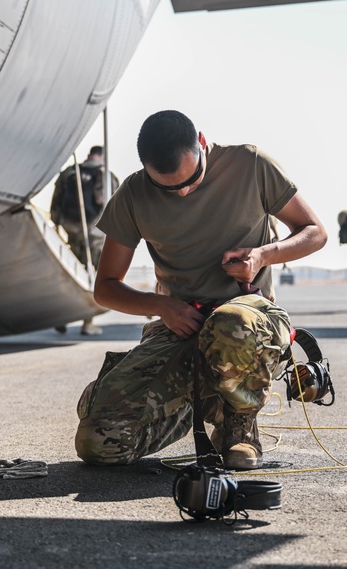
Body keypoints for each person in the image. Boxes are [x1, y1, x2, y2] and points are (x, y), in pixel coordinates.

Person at [74, 110, 326, 470]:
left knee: (230, 321)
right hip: (181, 326)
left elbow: (314, 232)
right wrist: (162, 306)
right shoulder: (133, 193)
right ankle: (205, 402)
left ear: (203, 144)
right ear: (146, 169)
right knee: (99, 443)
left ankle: (239, 425)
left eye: (192, 179)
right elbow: (106, 288)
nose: (185, 191)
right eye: (170, 187)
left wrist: (261, 256)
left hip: (246, 322)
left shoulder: (251, 164)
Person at [50, 145, 119, 335]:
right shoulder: (107, 176)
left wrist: (57, 225)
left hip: (72, 231)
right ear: (102, 157)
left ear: (89, 155)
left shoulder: (70, 173)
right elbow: (115, 207)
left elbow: (55, 204)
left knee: (70, 275)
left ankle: (62, 316)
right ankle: (87, 322)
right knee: (96, 278)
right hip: (96, 235)